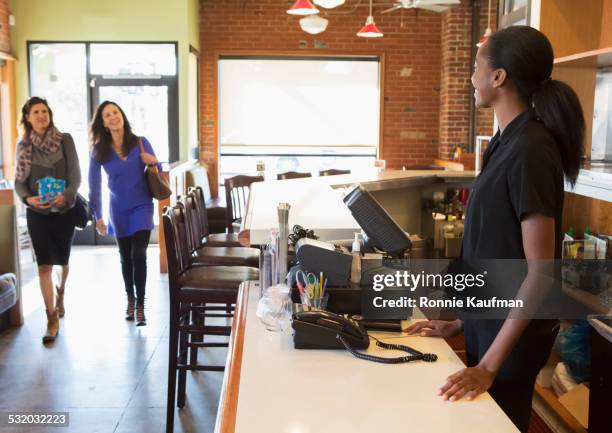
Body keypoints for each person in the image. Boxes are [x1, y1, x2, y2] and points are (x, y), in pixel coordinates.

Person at [406, 26, 584, 433]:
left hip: (514, 339)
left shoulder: (530, 149)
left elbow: (541, 271)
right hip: (490, 322)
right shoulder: (503, 142)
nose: (471, 77)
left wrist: (488, 365)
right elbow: (497, 246)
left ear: (499, 76)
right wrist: (461, 322)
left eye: (475, 68)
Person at [14, 96, 81, 343]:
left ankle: (60, 291)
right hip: (38, 213)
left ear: (50, 114)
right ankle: (51, 318)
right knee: (44, 265)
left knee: (62, 262)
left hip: (64, 212)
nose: (41, 115)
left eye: (44, 111)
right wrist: (28, 200)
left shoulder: (65, 140)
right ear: (28, 118)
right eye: (36, 112)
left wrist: (67, 195)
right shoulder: (23, 147)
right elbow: (19, 182)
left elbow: (75, 175)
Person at [88, 101, 161, 326]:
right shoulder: (100, 150)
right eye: (107, 115)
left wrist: (154, 163)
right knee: (125, 258)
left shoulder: (140, 142)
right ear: (103, 123)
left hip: (142, 206)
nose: (113, 117)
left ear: (122, 115)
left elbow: (157, 172)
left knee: (139, 254)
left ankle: (140, 305)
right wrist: (97, 215)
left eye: (116, 112)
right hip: (118, 210)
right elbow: (94, 183)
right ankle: (130, 299)